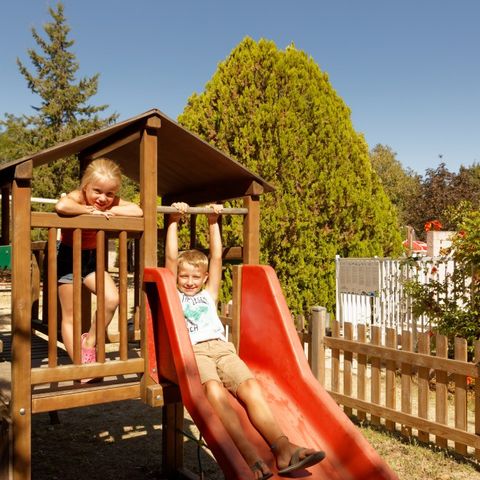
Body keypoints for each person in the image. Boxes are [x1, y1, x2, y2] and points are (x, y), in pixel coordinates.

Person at [165, 202, 325, 479]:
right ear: (177, 277)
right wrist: (173, 221)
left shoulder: (208, 294)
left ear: (204, 278)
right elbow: (170, 258)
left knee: (250, 386)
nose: (189, 281)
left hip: (222, 348)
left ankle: (283, 449)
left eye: (195, 277)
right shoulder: (175, 295)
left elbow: (217, 258)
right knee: (214, 390)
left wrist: (213, 222)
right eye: (184, 276)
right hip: (195, 353)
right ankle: (250, 456)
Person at [55, 158, 143, 367]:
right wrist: (88, 211)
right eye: (97, 191)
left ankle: (89, 342)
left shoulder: (110, 203)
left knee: (112, 299)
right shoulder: (78, 197)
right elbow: (62, 205)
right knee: (70, 315)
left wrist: (110, 211)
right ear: (86, 186)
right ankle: (81, 365)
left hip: (92, 259)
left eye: (109, 194)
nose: (103, 198)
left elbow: (137, 211)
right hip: (68, 257)